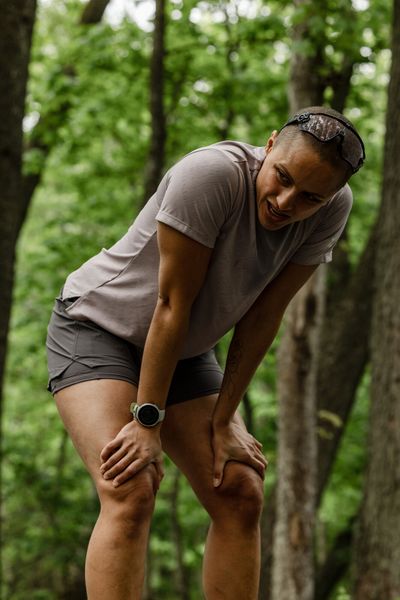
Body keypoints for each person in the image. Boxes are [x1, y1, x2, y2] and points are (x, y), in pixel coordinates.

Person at [46, 106, 365, 599]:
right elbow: (172, 304)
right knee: (131, 485)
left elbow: (264, 316)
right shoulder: (211, 175)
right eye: (282, 178)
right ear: (270, 144)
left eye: (309, 197)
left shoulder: (334, 207)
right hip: (98, 328)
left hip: (185, 351)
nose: (285, 201)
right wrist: (147, 421)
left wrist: (224, 419)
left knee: (240, 489)